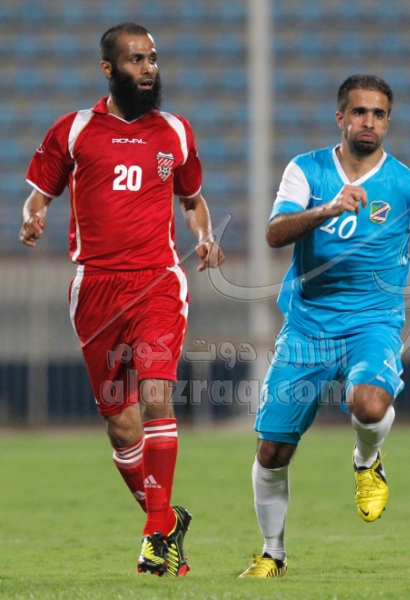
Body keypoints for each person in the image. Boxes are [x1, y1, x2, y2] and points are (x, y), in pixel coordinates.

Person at [239, 74, 410, 578]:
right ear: (341, 118)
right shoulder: (306, 169)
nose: (368, 121)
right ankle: (272, 553)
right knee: (272, 451)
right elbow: (274, 233)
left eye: (378, 114)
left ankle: (366, 459)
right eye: (359, 112)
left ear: (388, 122)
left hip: (373, 323)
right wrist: (328, 208)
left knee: (370, 402)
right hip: (307, 327)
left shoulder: (408, 186)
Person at [19, 22, 225, 578]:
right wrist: (33, 217)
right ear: (108, 69)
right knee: (121, 426)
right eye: (136, 60)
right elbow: (39, 195)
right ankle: (167, 520)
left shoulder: (175, 131)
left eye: (152, 58)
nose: (148, 68)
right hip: (95, 288)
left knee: (157, 394)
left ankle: (155, 536)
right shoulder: (74, 130)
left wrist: (205, 236)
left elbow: (193, 200)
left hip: (157, 282)